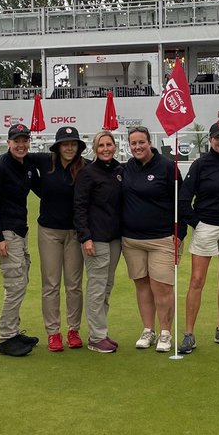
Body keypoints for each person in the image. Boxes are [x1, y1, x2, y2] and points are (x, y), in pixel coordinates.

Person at [178, 120, 219, 354]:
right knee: (197, 280)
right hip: (207, 225)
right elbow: (184, 199)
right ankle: (188, 334)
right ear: (210, 140)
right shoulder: (200, 165)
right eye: (218, 137)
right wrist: (196, 223)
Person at [121, 126, 186, 353]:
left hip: (162, 239)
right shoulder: (126, 168)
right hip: (132, 240)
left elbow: (182, 201)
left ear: (150, 142)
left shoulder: (168, 167)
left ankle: (166, 332)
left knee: (162, 287)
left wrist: (181, 233)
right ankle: (148, 330)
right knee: (142, 285)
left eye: (141, 142)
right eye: (133, 143)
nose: (137, 147)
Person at [27, 125, 87, 352]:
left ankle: (73, 330)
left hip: (75, 233)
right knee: (51, 284)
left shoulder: (85, 166)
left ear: (78, 147)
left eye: (73, 144)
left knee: (74, 285)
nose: (69, 148)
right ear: (58, 146)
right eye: (65, 144)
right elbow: (17, 156)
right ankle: (53, 333)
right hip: (49, 231)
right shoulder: (45, 161)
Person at [0, 122, 40, 357]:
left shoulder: (25, 164)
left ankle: (13, 331)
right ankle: (6, 338)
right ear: (8, 143)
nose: (21, 144)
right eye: (16, 141)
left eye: (24, 140)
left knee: (21, 279)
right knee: (15, 284)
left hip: (21, 230)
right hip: (6, 233)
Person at [74, 130, 123, 354]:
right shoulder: (88, 173)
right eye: (101, 145)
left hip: (115, 238)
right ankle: (96, 337)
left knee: (107, 287)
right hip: (96, 239)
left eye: (109, 144)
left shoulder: (119, 170)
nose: (105, 149)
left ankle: (100, 331)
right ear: (95, 149)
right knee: (97, 287)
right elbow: (80, 207)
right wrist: (86, 237)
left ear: (114, 146)